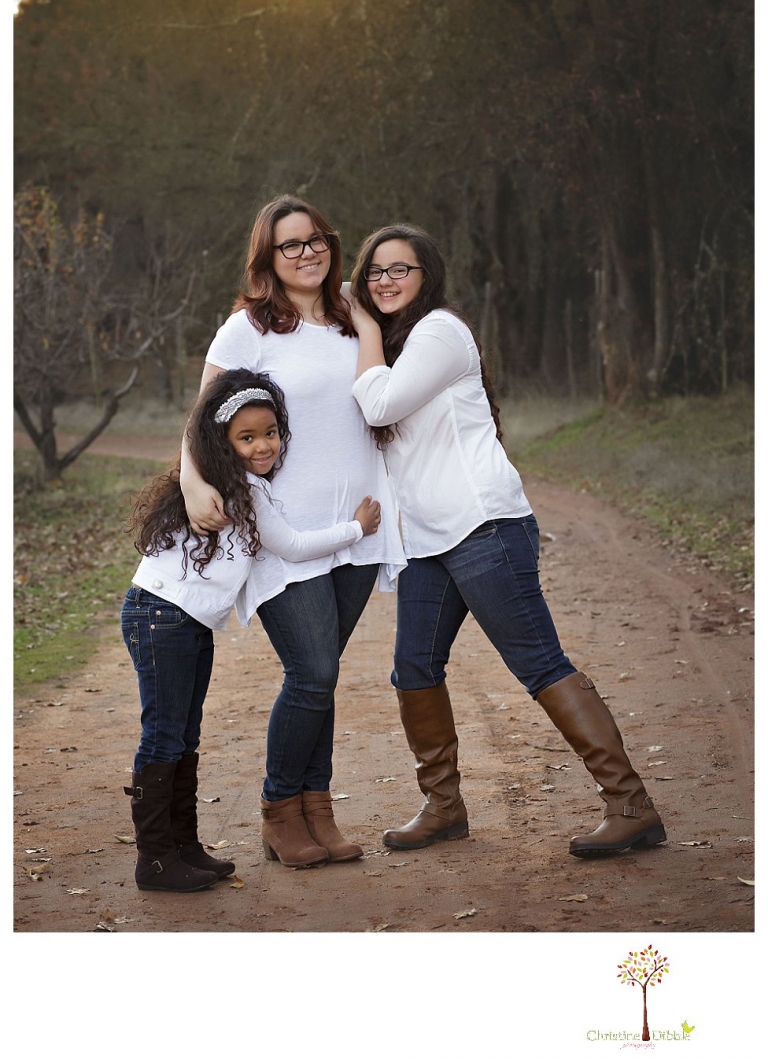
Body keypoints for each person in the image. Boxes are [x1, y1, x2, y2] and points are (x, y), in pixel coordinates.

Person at [348, 223, 667, 857]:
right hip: (428, 541)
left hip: (483, 527)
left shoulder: (439, 331)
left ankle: (631, 805)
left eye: (400, 268)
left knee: (539, 663)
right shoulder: (398, 343)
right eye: (375, 271)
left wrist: (360, 325)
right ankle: (443, 807)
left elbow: (378, 406)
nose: (385, 280)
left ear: (426, 276)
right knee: (414, 668)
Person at [179, 195, 405, 868]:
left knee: (323, 676)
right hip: (285, 530)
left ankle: (318, 811)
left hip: (358, 528)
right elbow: (200, 420)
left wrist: (364, 311)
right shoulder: (248, 328)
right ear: (268, 257)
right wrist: (193, 484)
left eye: (316, 239)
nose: (307, 252)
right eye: (290, 244)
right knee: (313, 670)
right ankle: (281, 811)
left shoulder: (353, 318)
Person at [122, 368, 382, 889]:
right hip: (161, 616)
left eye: (270, 432)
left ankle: (185, 847)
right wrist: (357, 528)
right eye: (247, 437)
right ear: (222, 444)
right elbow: (293, 546)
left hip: (185, 622)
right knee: (164, 736)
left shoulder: (236, 486)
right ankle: (155, 860)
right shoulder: (236, 489)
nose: (263, 445)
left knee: (185, 734)